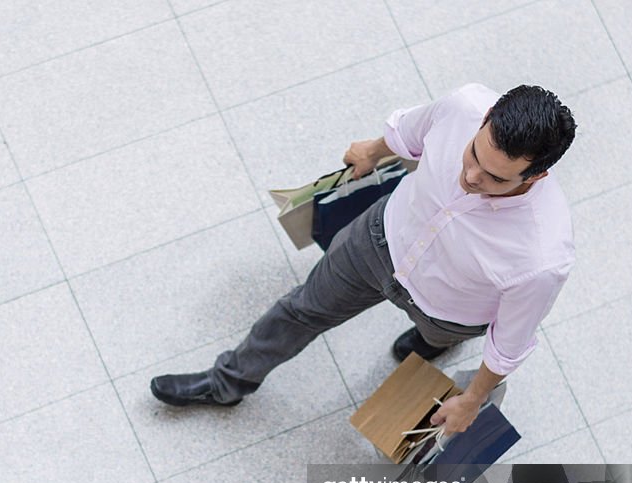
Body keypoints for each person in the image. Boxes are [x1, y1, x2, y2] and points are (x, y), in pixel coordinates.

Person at [150, 83, 577, 435]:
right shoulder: (463, 107)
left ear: (537, 175)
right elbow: (409, 134)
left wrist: (472, 400)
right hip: (379, 241)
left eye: (495, 178)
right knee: (301, 309)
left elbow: (508, 344)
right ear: (484, 120)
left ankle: (429, 344)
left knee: (434, 338)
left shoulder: (542, 256)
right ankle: (227, 382)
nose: (470, 177)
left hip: (447, 310)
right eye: (473, 155)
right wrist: (372, 151)